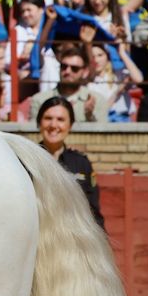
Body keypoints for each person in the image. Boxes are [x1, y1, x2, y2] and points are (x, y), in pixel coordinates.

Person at [38, 95, 103, 225]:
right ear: (39, 123)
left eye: (60, 119)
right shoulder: (27, 161)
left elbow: (93, 212)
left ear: (70, 125)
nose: (53, 125)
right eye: (48, 118)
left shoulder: (81, 163)